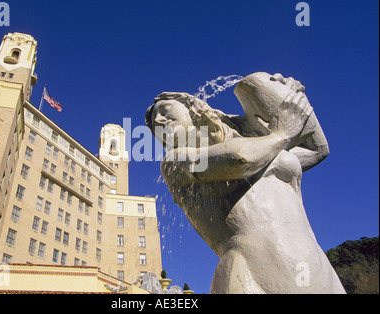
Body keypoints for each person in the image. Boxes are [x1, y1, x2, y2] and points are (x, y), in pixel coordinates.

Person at [145, 72, 345, 293]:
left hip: (319, 268)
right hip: (252, 274)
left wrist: (291, 97)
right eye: (155, 126)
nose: (159, 121)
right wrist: (281, 134)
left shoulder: (252, 138)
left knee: (253, 83)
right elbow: (239, 159)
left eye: (164, 111)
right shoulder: (176, 162)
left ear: (191, 106)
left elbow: (316, 150)